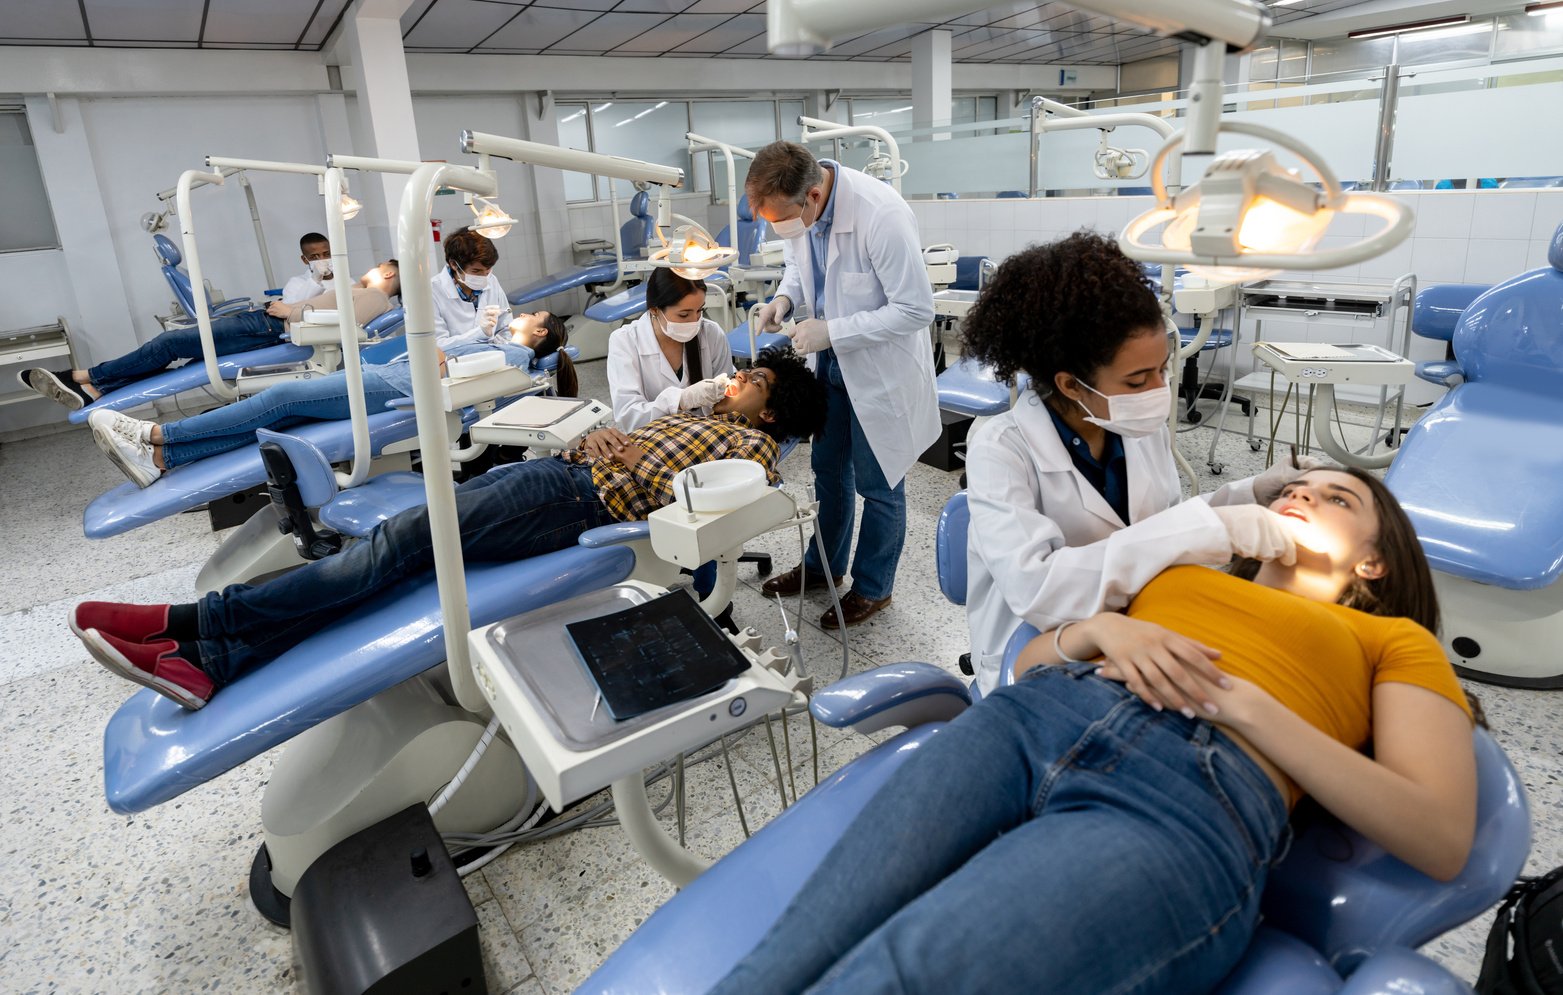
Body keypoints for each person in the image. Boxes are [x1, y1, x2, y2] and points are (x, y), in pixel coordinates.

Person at [710, 467, 1477, 994]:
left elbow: (1437, 834)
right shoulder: (1187, 574)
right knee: (794, 947)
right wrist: (1102, 629)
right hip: (1030, 722)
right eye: (1298, 485)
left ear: (1374, 562)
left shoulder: (1391, 642)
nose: (1302, 494)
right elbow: (1028, 664)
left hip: (1185, 799)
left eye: (1335, 497)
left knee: (900, 973)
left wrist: (1242, 704)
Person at [70, 348, 829, 710]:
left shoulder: (753, 453)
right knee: (390, 563)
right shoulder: (703, 416)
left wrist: (619, 457)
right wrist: (595, 439)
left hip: (572, 503)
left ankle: (196, 624)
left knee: (388, 550)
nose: (732, 380)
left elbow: (683, 499)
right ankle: (212, 656)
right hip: (560, 477)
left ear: (768, 412)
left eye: (748, 382)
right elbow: (623, 446)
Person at [960, 232, 1323, 695]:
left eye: (1163, 369)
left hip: (1140, 625)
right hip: (1040, 654)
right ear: (1071, 385)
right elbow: (1040, 591)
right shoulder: (1000, 448)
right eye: (1137, 380)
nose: (1158, 391)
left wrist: (1250, 494)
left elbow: (1160, 525)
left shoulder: (1132, 424)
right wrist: (1213, 530)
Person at [746, 141, 938, 629]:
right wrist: (784, 301)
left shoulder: (881, 215)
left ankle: (874, 589)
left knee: (879, 485)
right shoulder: (800, 211)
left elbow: (916, 309)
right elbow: (798, 259)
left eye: (782, 217)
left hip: (879, 370)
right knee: (828, 472)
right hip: (829, 364)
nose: (779, 227)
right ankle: (820, 568)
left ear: (812, 195)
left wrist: (832, 330)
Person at [87, 301, 576, 489]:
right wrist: (477, 333)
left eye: (529, 317)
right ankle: (165, 459)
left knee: (277, 398)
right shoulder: (499, 345)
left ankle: (157, 432)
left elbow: (451, 370)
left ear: (539, 334)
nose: (520, 314)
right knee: (279, 420)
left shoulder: (516, 359)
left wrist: (450, 350)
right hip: (395, 381)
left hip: (392, 388)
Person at [19, 256, 400, 412]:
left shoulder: (374, 298)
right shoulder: (361, 290)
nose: (373, 266)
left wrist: (291, 310)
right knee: (181, 353)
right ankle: (99, 391)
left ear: (388, 273)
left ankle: (85, 377)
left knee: (169, 344)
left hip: (269, 327)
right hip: (269, 322)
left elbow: (337, 319)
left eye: (380, 264)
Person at [607, 267, 734, 431]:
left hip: (706, 435)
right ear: (654, 309)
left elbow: (727, 400)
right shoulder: (625, 341)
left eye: (700, 310)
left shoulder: (711, 333)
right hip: (653, 440)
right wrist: (681, 400)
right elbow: (628, 417)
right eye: (684, 315)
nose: (695, 321)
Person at [433, 226, 513, 350]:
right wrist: (480, 333)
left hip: (494, 357)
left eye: (488, 270)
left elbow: (506, 328)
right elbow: (438, 346)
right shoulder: (432, 292)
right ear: (454, 264)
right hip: (455, 364)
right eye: (476, 271)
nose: (484, 277)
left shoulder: (492, 280)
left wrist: (495, 351)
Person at [281, 232, 334, 304]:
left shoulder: (344, 278)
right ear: (305, 260)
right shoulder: (295, 283)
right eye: (314, 257)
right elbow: (292, 309)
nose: (322, 260)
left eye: (327, 254)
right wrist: (315, 279)